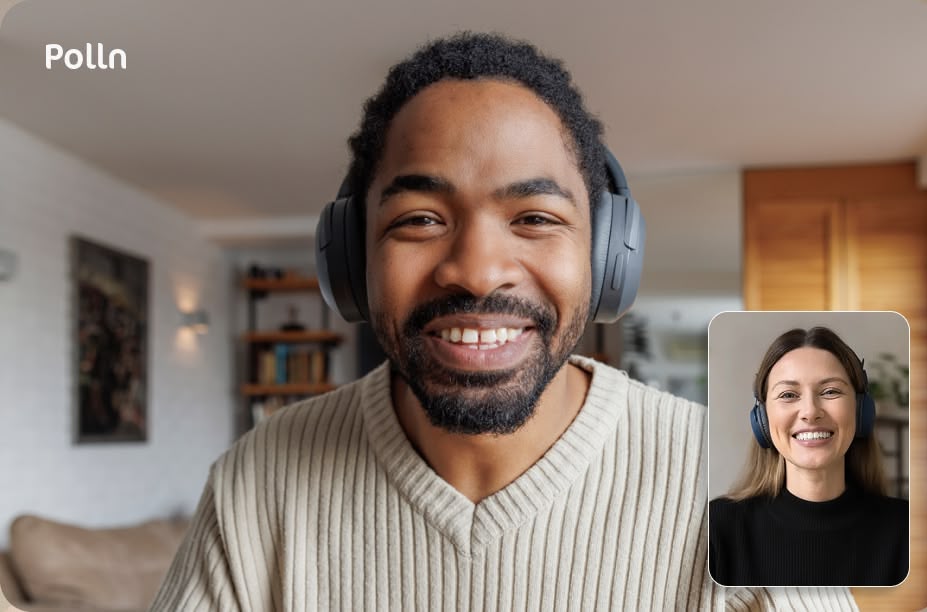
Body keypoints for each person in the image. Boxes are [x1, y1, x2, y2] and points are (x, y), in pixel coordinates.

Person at [151, 33, 855, 610]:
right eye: (420, 219)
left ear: (608, 257)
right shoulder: (257, 481)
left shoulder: (748, 485)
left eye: (535, 219)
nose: (479, 271)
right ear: (352, 262)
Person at [709, 326, 909, 587]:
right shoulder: (717, 528)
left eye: (830, 392)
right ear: (763, 419)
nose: (810, 412)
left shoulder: (908, 530)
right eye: (788, 395)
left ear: (861, 411)